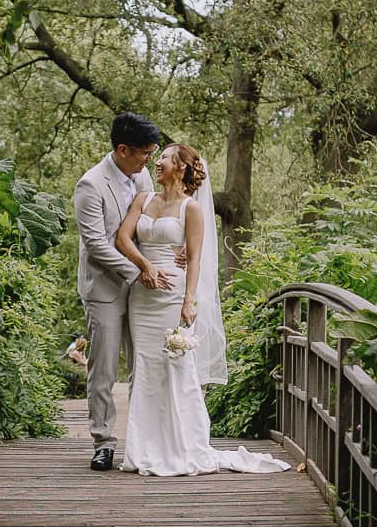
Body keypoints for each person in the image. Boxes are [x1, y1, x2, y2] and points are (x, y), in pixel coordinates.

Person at [111, 144, 290, 477]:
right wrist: (145, 266)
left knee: (176, 369)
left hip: (173, 294)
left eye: (164, 157)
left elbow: (194, 257)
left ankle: (182, 446)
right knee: (145, 369)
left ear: (180, 167)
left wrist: (189, 299)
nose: (158, 162)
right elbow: (123, 238)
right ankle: (143, 449)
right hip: (143, 294)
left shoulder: (191, 209)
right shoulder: (143, 200)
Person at [73, 112, 164, 470]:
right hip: (106, 289)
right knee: (105, 370)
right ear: (123, 149)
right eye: (144, 153)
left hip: (145, 288)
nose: (149, 161)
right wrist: (139, 269)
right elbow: (96, 244)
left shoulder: (141, 176)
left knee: (145, 363)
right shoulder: (90, 185)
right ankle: (104, 441)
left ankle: (146, 441)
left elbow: (150, 222)